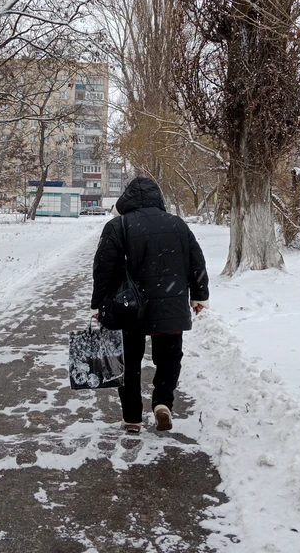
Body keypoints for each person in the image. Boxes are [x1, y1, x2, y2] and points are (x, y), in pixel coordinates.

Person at [90, 176, 209, 433]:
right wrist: (199, 296)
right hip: (170, 305)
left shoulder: (118, 226)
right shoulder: (177, 225)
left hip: (128, 308)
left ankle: (132, 417)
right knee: (169, 357)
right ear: (158, 198)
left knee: (129, 362)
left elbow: (103, 269)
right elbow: (197, 262)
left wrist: (99, 304)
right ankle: (163, 403)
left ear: (127, 199)